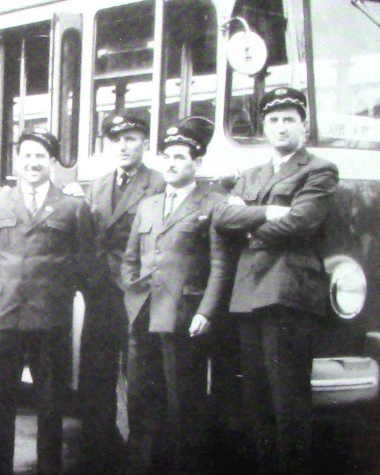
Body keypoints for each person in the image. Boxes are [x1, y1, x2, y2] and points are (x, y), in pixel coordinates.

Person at [213, 87, 339, 474]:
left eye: (289, 119)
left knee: (289, 401)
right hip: (250, 293)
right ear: (264, 127)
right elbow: (221, 217)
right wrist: (268, 211)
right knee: (257, 399)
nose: (281, 127)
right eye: (273, 119)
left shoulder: (318, 169)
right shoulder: (251, 174)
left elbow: (301, 222)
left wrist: (247, 224)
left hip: (288, 294)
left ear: (304, 125)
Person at [0, 129, 99, 475]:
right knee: (0, 404)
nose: (33, 163)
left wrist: (59, 293)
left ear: (53, 162)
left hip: (50, 320)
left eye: (40, 157)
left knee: (50, 405)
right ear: (17, 160)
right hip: (5, 318)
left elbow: (84, 264)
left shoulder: (73, 207)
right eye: (27, 155)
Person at [121, 116, 233, 474]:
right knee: (139, 399)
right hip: (143, 316)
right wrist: (131, 293)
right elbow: (130, 257)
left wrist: (206, 312)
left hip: (183, 317)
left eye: (180, 157)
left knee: (184, 404)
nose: (171, 163)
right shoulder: (149, 205)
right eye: (167, 156)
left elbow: (220, 265)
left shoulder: (212, 203)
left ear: (197, 163)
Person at [79, 114, 165, 472]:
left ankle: (140, 456)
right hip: (100, 292)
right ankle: (101, 452)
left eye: (131, 138)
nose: (123, 146)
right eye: (116, 140)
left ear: (145, 142)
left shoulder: (158, 183)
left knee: (140, 376)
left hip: (137, 293)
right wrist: (90, 280)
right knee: (95, 373)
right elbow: (86, 238)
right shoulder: (97, 185)